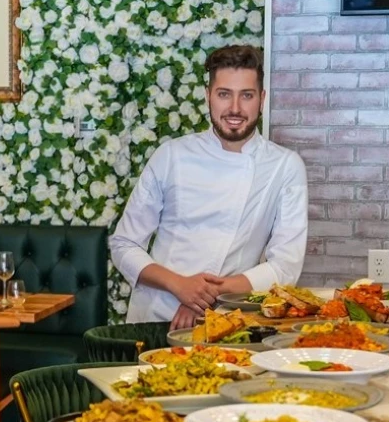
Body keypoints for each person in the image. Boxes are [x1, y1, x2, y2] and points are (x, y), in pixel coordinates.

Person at [109, 44, 308, 330]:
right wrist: (179, 285)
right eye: (224, 94)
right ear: (208, 96)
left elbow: (286, 265)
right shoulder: (171, 156)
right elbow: (124, 244)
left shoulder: (284, 166)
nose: (235, 108)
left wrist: (203, 294)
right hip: (155, 316)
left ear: (262, 99)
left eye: (247, 95)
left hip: (229, 319)